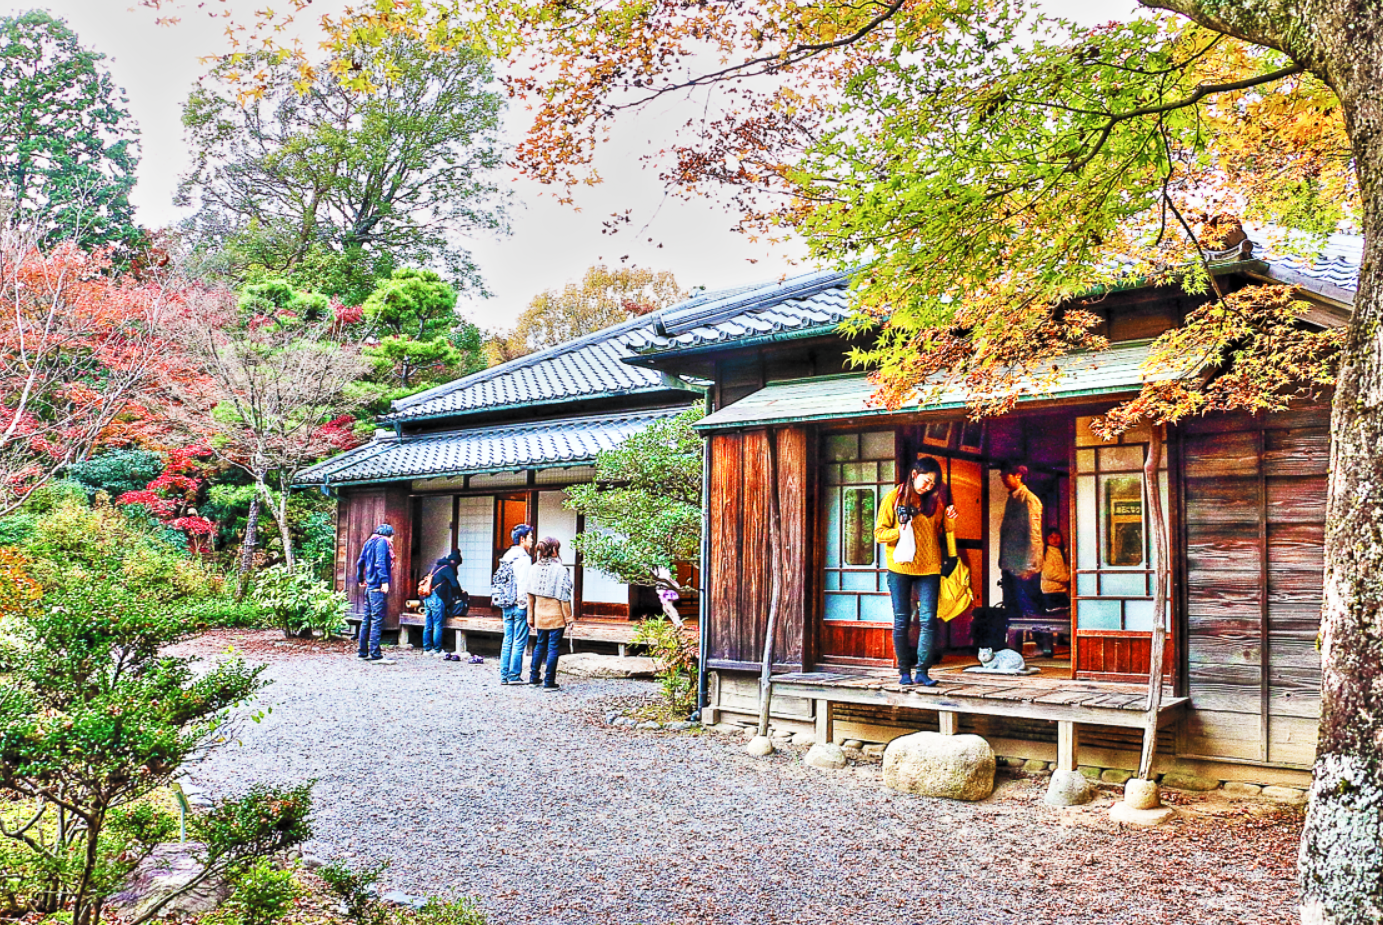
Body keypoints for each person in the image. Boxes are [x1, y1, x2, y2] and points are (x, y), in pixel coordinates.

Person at [874, 455, 958, 687]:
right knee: (902, 620)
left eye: (933, 483)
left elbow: (943, 530)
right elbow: (879, 533)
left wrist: (951, 520)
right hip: (900, 566)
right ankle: (904, 672)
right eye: (926, 481)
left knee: (928, 619)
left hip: (929, 566)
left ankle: (922, 671)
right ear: (914, 474)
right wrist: (898, 532)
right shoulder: (893, 498)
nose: (928, 486)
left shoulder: (935, 501)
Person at [999, 463, 1044, 629]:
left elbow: (1034, 534)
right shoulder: (1012, 499)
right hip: (1010, 563)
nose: (1003, 479)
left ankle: (1043, 645)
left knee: (1030, 605)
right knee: (1012, 607)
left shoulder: (1029, 499)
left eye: (1006, 475)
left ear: (1018, 475)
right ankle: (1014, 647)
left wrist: (1030, 565)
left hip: (1024, 564)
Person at [525, 536, 574, 690]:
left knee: (539, 645)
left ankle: (533, 678)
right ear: (554, 550)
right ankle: (549, 681)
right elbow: (564, 598)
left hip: (540, 613)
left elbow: (529, 596)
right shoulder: (560, 569)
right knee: (553, 648)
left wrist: (530, 617)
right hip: (556, 616)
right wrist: (569, 618)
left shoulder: (533, 568)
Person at [497, 525, 535, 685]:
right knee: (519, 641)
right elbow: (523, 584)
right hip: (518, 604)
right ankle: (514, 675)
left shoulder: (507, 556)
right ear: (522, 539)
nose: (532, 541)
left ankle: (504, 675)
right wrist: (523, 605)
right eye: (530, 537)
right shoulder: (524, 559)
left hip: (505, 602)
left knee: (507, 639)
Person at [355, 524, 396, 665]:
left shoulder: (369, 541)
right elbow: (380, 563)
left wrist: (360, 578)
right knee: (377, 620)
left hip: (369, 586)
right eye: (392, 537)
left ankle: (363, 652)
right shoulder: (383, 543)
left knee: (367, 619)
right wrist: (384, 581)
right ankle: (375, 654)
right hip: (377, 587)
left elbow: (360, 562)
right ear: (389, 535)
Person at [422, 549, 462, 657]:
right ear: (454, 562)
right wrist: (460, 595)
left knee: (428, 624)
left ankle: (427, 649)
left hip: (427, 597)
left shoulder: (436, 567)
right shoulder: (448, 569)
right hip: (437, 598)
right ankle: (437, 650)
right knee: (438, 624)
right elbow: (454, 584)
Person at [1040, 528, 1071, 611]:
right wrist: (1067, 577)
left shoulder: (1060, 552)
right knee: (1056, 611)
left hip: (1060, 589)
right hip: (1051, 591)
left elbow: (1064, 568)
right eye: (1051, 537)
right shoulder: (1047, 553)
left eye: (1057, 537)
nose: (1055, 539)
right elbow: (1048, 573)